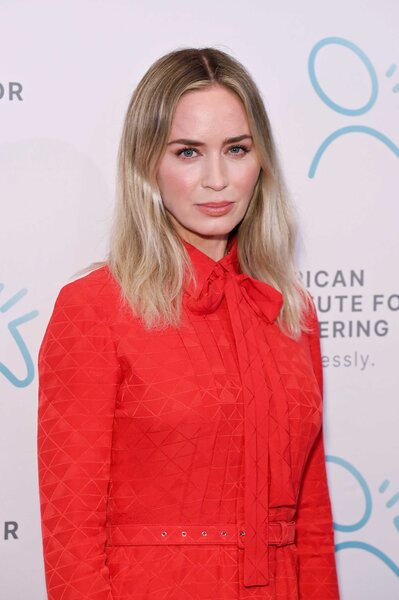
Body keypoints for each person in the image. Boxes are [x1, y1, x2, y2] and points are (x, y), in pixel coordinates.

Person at [37, 47, 340, 599]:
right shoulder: (96, 308)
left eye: (237, 149)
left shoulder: (290, 310)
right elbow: (71, 537)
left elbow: (311, 518)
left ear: (261, 160)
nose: (217, 179)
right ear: (146, 163)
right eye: (188, 152)